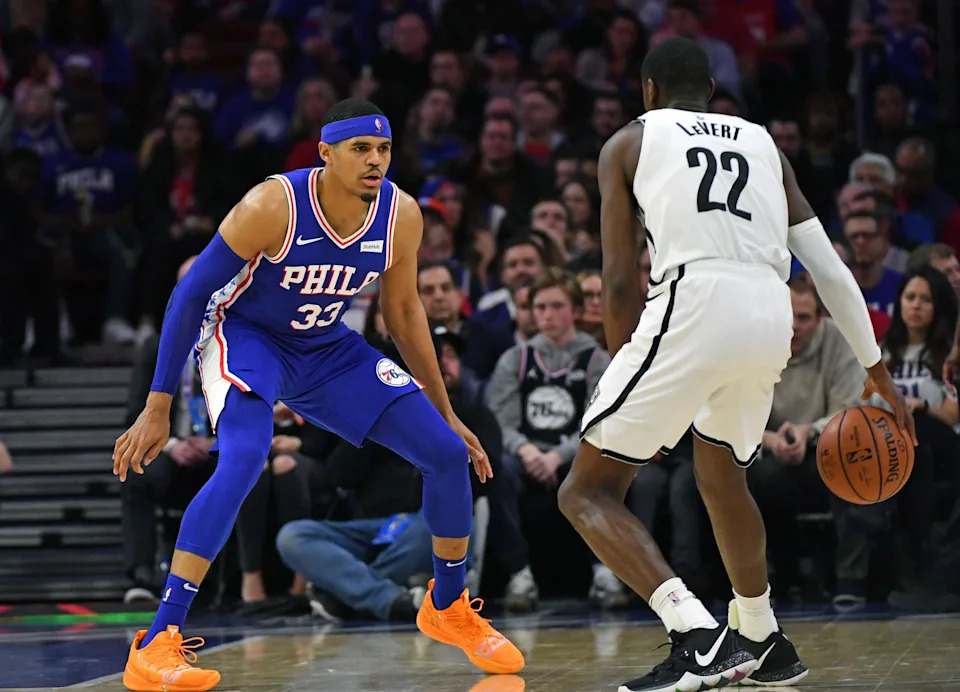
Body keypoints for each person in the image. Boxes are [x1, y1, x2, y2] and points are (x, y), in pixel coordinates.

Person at [113, 98, 523, 692]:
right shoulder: (271, 204)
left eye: (383, 149)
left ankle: (448, 605)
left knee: (443, 451)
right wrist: (157, 406)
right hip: (250, 338)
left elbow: (404, 311)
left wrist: (446, 411)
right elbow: (191, 293)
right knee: (246, 458)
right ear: (325, 154)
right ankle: (156, 643)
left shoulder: (401, 215)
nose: (375, 161)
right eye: (361, 149)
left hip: (328, 347)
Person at [556, 38, 915, 692]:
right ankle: (761, 635)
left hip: (694, 301)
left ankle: (694, 635)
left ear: (650, 93)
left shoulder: (629, 142)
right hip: (771, 311)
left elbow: (615, 280)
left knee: (586, 489)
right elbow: (829, 270)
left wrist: (623, 376)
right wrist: (878, 371)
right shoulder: (764, 146)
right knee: (722, 475)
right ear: (713, 95)